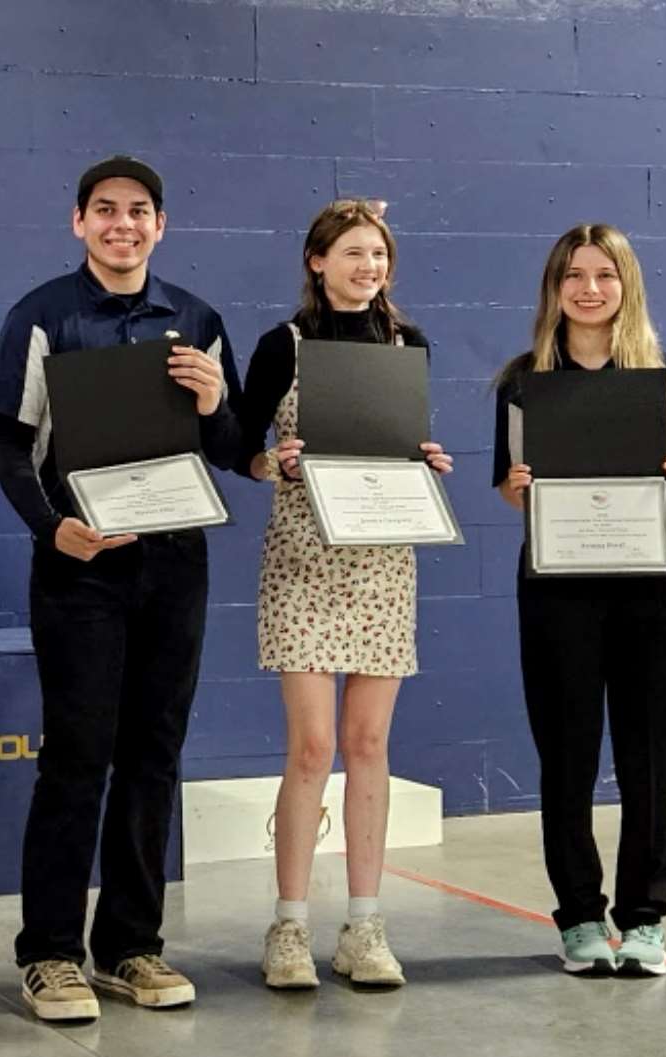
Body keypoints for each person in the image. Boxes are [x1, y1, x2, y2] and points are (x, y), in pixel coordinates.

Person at [0, 154, 242, 1022]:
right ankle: (50, 953)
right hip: (79, 567)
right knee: (77, 756)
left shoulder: (198, 321)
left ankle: (131, 945)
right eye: (105, 210)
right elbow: (11, 448)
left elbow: (232, 446)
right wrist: (53, 527)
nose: (121, 224)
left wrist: (213, 404)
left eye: (138, 212)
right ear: (78, 222)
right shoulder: (43, 316)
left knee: (154, 753)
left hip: (175, 567)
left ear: (160, 226)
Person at [231, 199, 453, 991]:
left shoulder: (407, 342)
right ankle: (289, 923)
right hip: (302, 561)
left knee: (368, 747)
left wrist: (425, 459)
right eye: (354, 254)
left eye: (380, 256)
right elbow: (237, 445)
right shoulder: (281, 345)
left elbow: (394, 445)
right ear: (317, 261)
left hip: (381, 562)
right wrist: (272, 463)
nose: (369, 268)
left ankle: (364, 923)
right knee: (312, 748)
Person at [492, 223, 666, 977]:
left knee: (651, 755)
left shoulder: (664, 376)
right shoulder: (524, 381)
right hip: (558, 592)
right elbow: (507, 484)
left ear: (626, 285)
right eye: (573, 275)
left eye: (604, 275)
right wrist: (516, 489)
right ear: (554, 288)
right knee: (568, 756)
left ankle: (643, 920)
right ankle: (580, 917)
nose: (589, 288)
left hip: (651, 589)